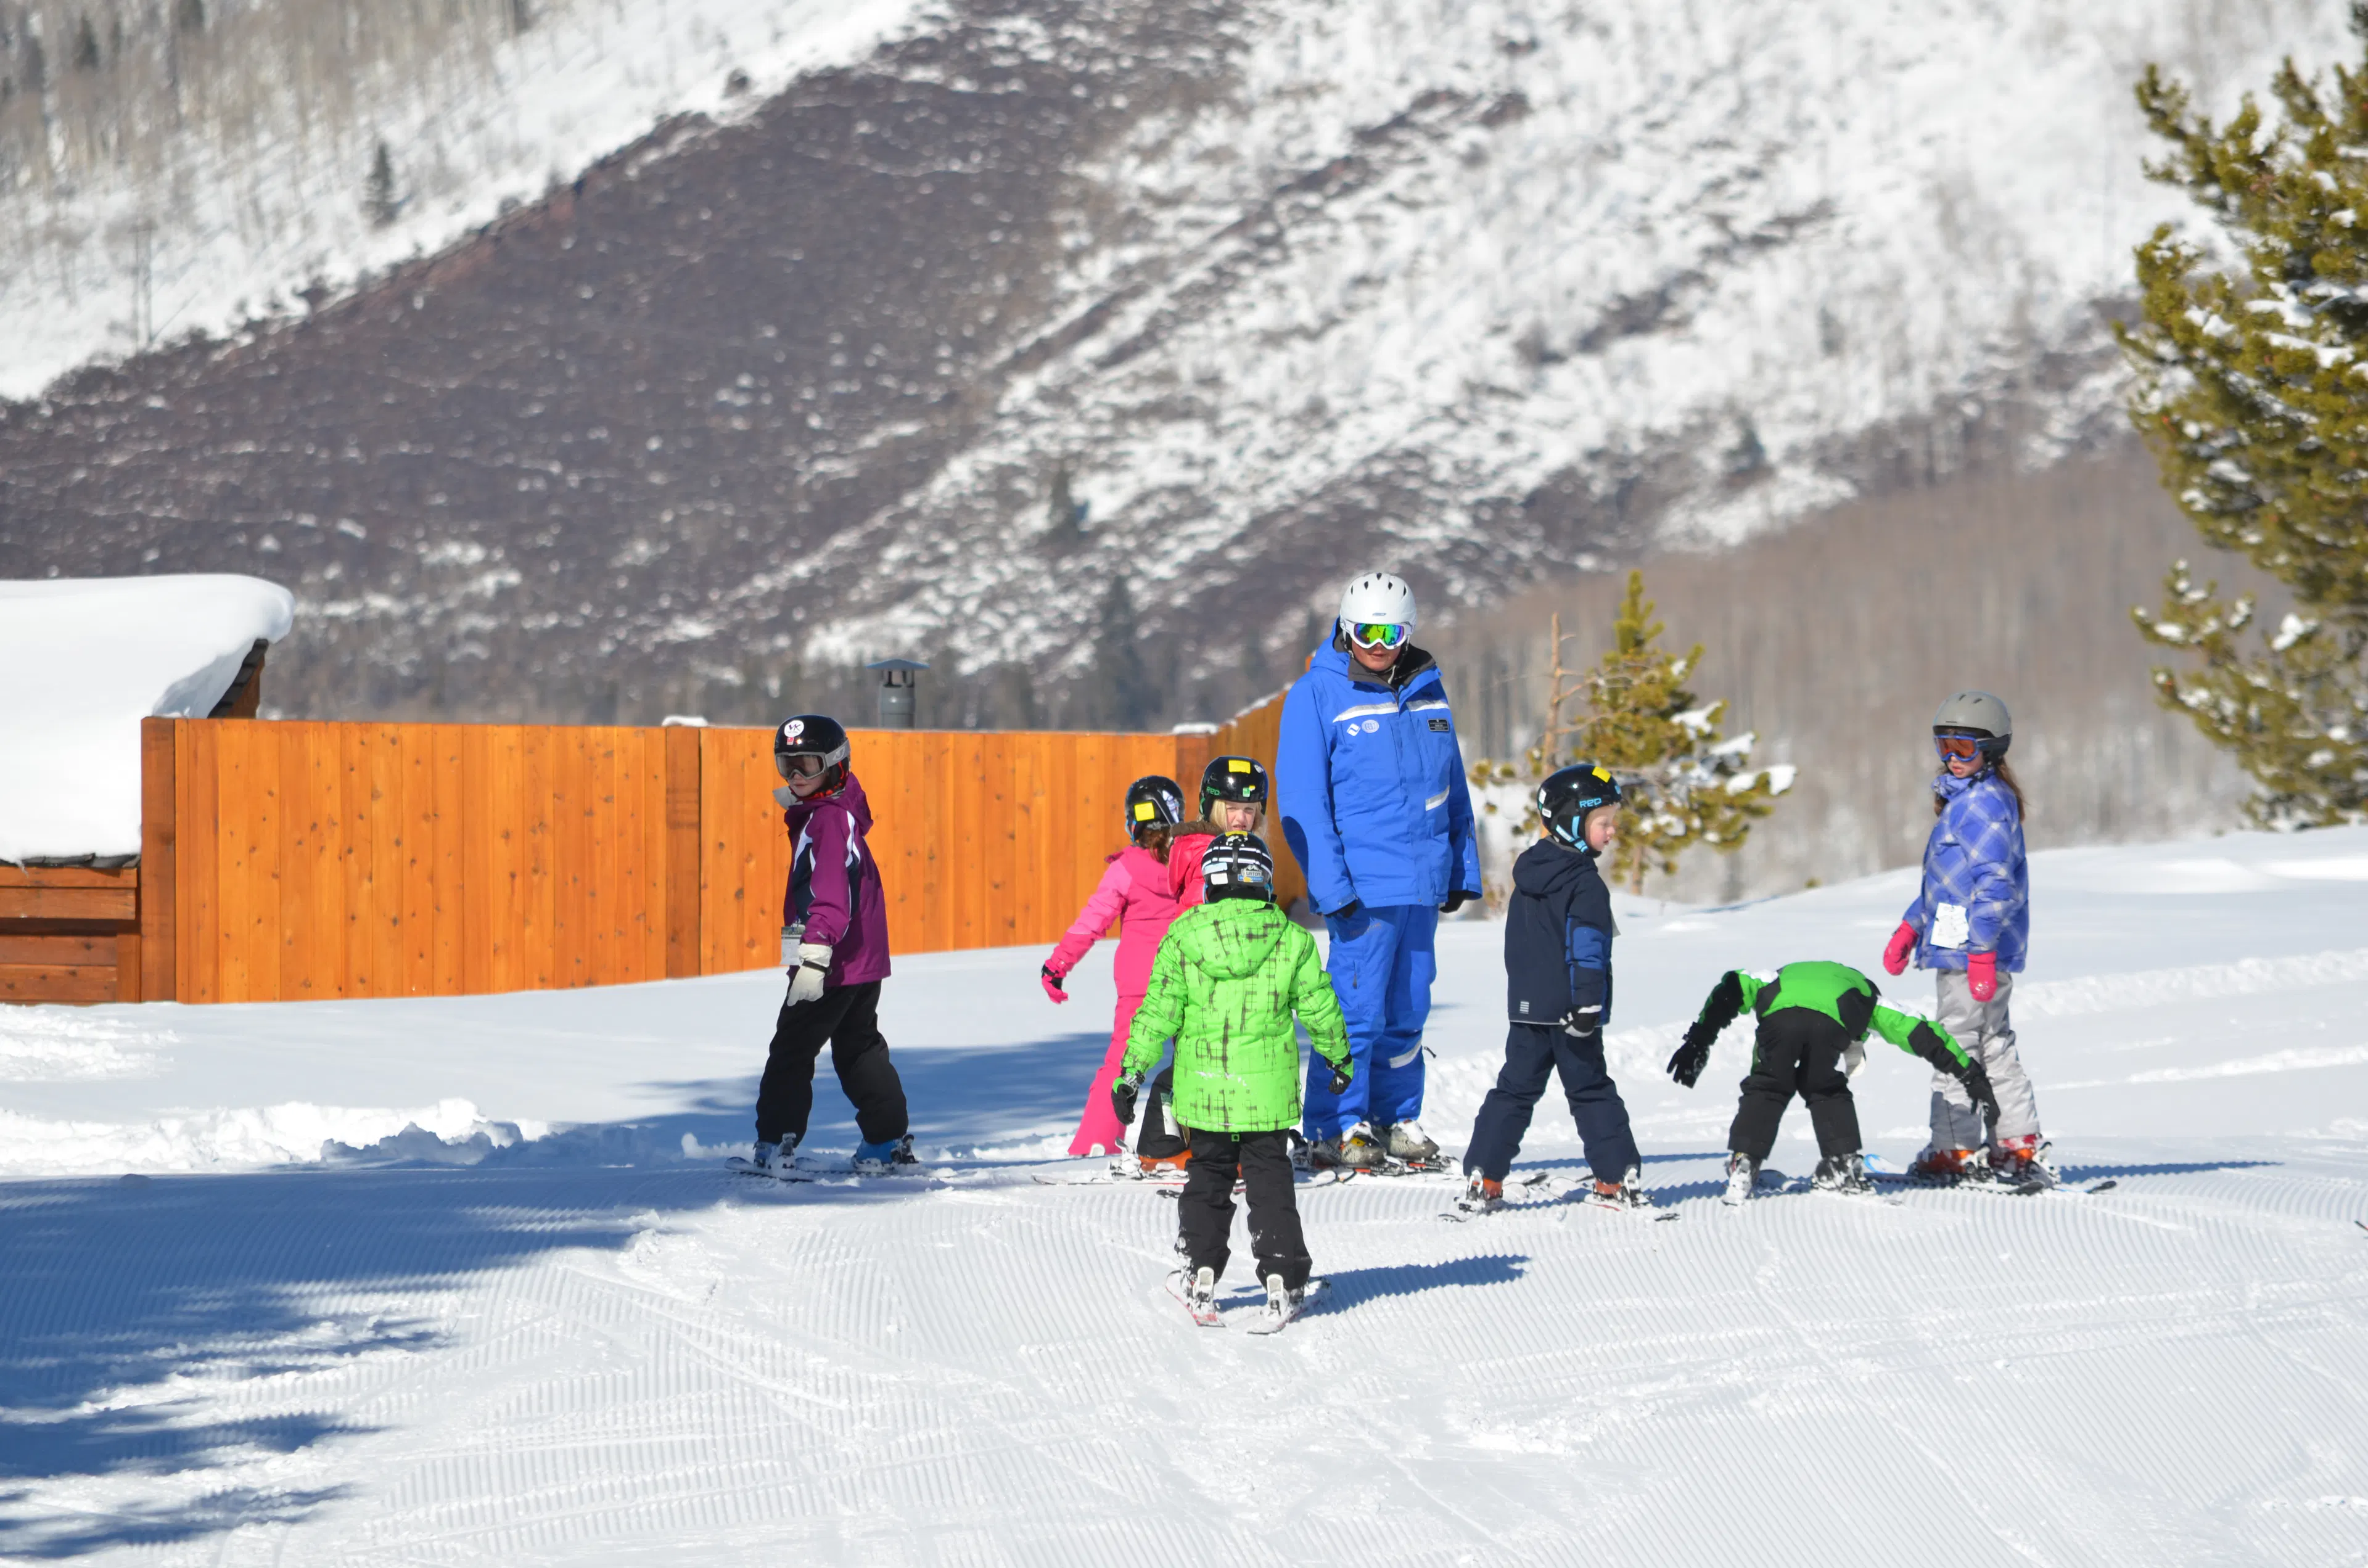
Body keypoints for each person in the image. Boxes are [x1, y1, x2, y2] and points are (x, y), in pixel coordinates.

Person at [1276, 570, 1481, 1170]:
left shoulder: (1428, 691)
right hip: (1361, 887)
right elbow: (1302, 802)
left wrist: (1461, 866)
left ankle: (1395, 1119)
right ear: (1346, 625)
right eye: (1365, 629)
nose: (1378, 641)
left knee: (1409, 1009)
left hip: (1422, 879)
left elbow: (1454, 788)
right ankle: (1336, 1125)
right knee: (1354, 1012)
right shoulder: (1318, 694)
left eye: (1391, 630)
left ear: (1408, 630)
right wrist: (1330, 884)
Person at [1114, 834, 1354, 1329]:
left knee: (1209, 1176)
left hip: (1204, 1090)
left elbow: (1157, 1011)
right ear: (1264, 880)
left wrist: (1132, 1072)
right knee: (1270, 1180)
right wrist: (1339, 1056)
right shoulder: (1292, 939)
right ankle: (1283, 1278)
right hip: (1265, 1096)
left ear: (1212, 881)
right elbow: (1320, 1006)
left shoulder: (1182, 936)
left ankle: (1201, 1270)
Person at [1880, 691, 2050, 1186]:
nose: (1952, 759)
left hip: (1971, 951)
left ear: (1992, 751)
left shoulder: (1981, 806)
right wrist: (1912, 926)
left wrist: (1979, 953)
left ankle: (1955, 1147)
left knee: (1955, 1044)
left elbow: (1995, 886)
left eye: (1964, 748)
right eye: (1944, 746)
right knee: (1992, 1042)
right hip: (1968, 946)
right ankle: (2015, 1144)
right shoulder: (1976, 800)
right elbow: (1947, 883)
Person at [1462, 765, 1648, 1214]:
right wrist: (1588, 1001)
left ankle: (1484, 1174)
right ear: (1572, 821)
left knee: (1514, 1091)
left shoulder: (1528, 876)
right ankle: (1615, 1177)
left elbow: (1521, 947)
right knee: (1591, 1091)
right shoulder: (1584, 882)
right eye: (1603, 822)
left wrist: (1524, 999)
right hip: (1572, 1012)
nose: (1612, 830)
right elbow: (1587, 949)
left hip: (1527, 1012)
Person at [1666, 960, 1999, 1202]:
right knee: (1826, 1089)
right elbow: (1922, 1032)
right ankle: (1842, 1166)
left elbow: (1732, 986)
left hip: (1779, 1020)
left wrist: (1699, 1040)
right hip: (1831, 1027)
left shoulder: (1776, 976)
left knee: (1767, 1085)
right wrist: (1969, 1073)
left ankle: (1744, 1164)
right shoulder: (1867, 997)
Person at [752, 715, 914, 1175]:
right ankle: (886, 1141)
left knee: (792, 1049)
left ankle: (775, 1141)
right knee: (859, 1047)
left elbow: (828, 893)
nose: (797, 777)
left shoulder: (828, 819)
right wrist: (794, 958)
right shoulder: (831, 814)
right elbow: (809, 897)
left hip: (830, 963)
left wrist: (812, 957)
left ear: (837, 765)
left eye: (808, 765)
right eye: (788, 767)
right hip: (858, 961)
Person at [1040, 775, 1190, 1167]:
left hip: (1141, 986)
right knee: (1194, 1061)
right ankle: (1192, 1140)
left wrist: (1058, 965)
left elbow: (1091, 922)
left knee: (1123, 1064)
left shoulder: (1125, 870)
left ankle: (1098, 1141)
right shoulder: (1192, 865)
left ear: (1133, 824)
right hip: (1190, 981)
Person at [1167, 754, 1271, 908]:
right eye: (1231, 809)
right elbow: (1197, 915)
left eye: (1249, 810)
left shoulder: (1243, 849)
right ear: (1212, 808)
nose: (1241, 819)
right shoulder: (1210, 856)